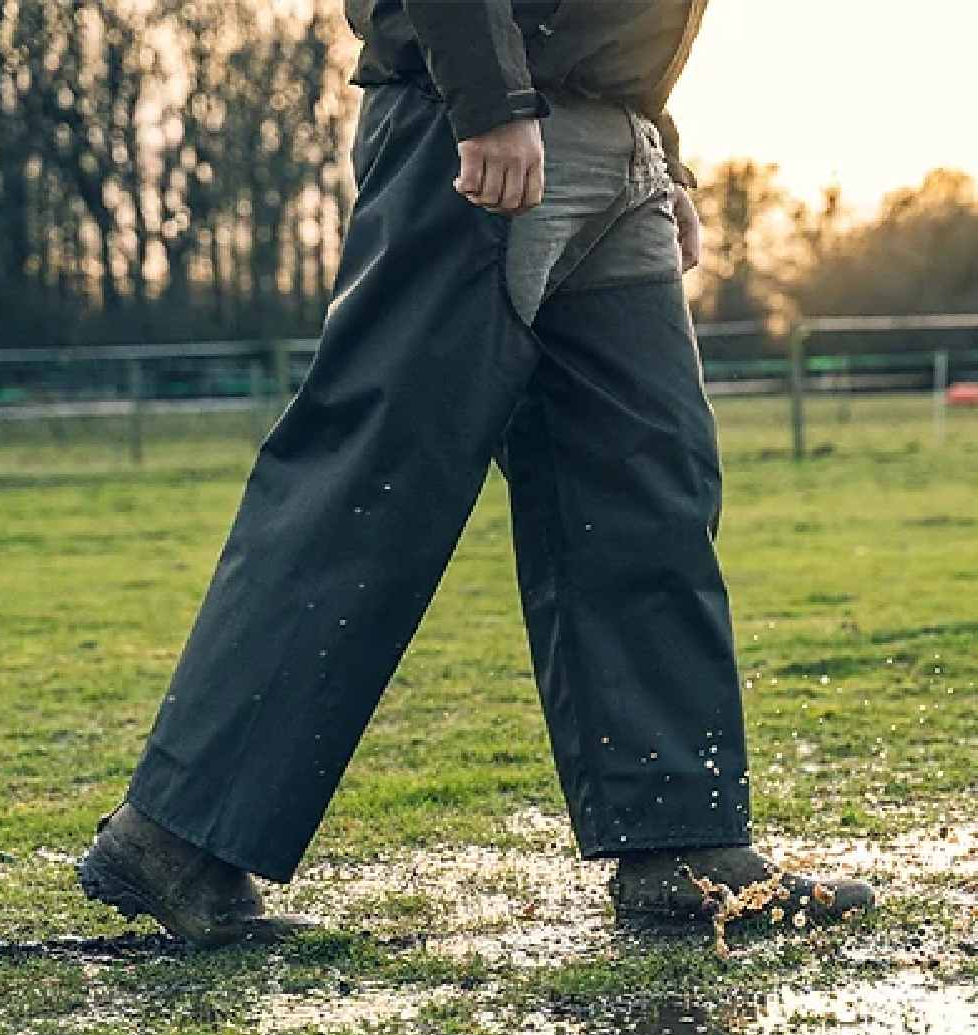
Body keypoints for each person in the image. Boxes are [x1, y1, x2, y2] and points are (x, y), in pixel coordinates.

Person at [79, 0, 874, 946]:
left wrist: (658, 145)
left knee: (649, 487)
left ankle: (682, 846)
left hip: (612, 145)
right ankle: (175, 839)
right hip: (484, 131)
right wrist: (489, 101)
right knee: (372, 493)